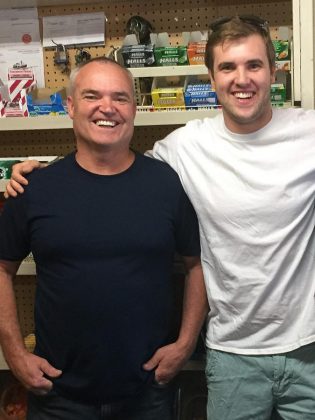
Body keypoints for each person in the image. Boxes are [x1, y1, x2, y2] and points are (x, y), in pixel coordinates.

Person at [6, 15, 315, 419]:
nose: (242, 79)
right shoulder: (182, 150)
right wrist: (34, 174)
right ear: (211, 77)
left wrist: (184, 343)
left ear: (275, 71)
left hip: (307, 347)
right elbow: (108, 169)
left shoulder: (308, 133)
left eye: (254, 65)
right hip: (230, 352)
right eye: (227, 67)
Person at [0, 57, 208, 420]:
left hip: (147, 393)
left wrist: (185, 343)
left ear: (134, 108)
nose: (107, 108)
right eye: (92, 96)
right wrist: (14, 353)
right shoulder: (35, 188)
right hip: (57, 396)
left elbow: (196, 265)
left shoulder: (165, 184)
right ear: (70, 106)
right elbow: (2, 269)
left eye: (120, 98)